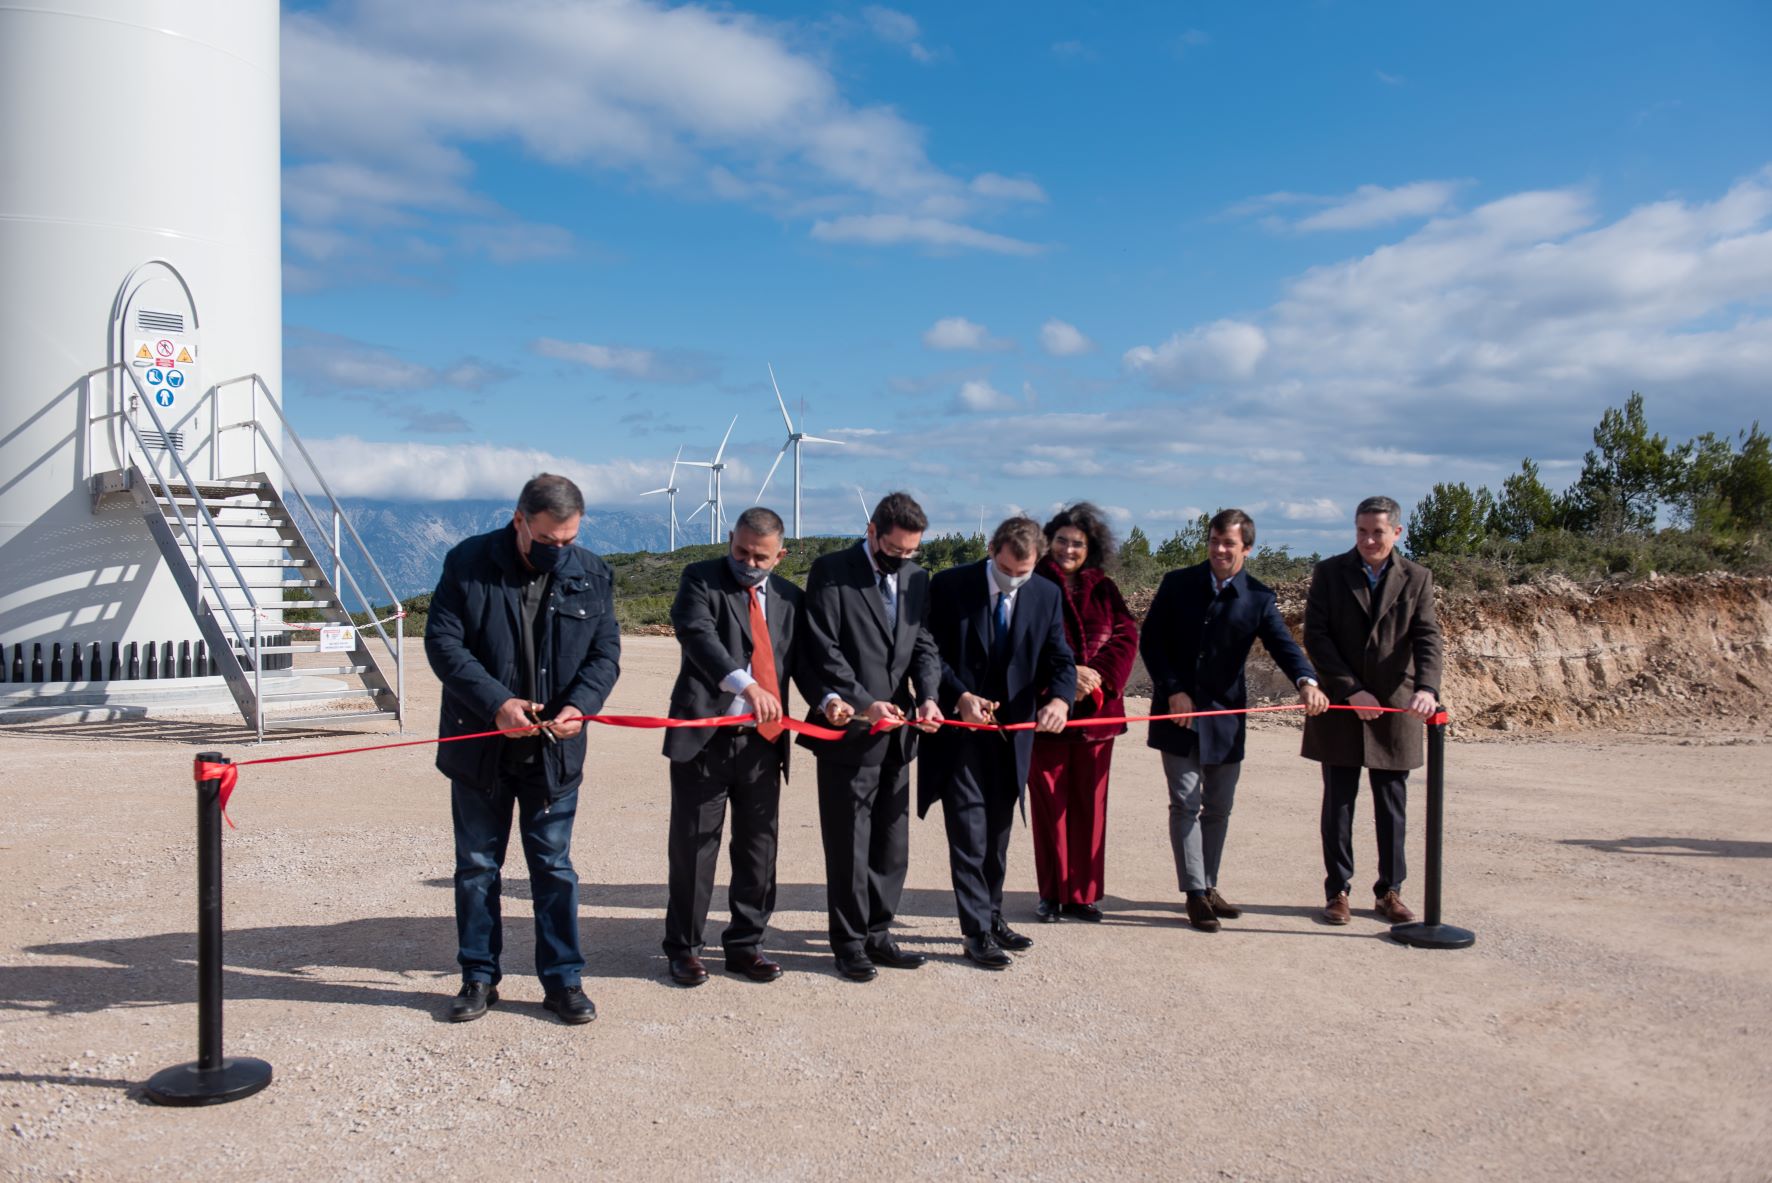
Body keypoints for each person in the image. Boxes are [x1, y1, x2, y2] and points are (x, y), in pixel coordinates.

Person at [424, 473, 620, 1024]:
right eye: (548, 541)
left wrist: (580, 706)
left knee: (554, 868)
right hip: (480, 747)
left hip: (553, 754)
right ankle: (479, 977)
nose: (560, 552)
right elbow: (443, 643)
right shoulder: (467, 562)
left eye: (569, 541)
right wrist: (496, 705)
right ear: (519, 521)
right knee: (478, 867)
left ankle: (563, 981)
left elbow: (605, 656)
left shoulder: (593, 573)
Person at [1140, 509, 1328, 931]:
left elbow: (1283, 644)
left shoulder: (1258, 597)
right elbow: (1151, 641)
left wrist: (1306, 680)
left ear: (1247, 548)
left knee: (1219, 808)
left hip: (1226, 719)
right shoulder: (1177, 584)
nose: (1219, 550)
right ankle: (1193, 893)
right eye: (1214, 541)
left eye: (1228, 543)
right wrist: (1173, 689)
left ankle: (1208, 885)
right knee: (1185, 802)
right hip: (1178, 715)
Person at [797, 492, 945, 982]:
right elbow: (824, 648)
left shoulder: (918, 579)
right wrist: (863, 702)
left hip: (900, 734)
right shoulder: (831, 571)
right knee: (849, 846)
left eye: (911, 553)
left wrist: (927, 696)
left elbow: (923, 643)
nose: (901, 560)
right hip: (850, 732)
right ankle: (848, 943)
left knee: (891, 843)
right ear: (871, 531)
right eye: (893, 551)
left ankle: (879, 934)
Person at [921, 517, 1076, 969]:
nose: (1014, 581)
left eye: (1023, 573)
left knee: (997, 834)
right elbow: (930, 651)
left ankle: (992, 915)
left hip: (1012, 736)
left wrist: (1061, 701)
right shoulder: (950, 585)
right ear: (992, 549)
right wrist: (960, 696)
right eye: (1007, 570)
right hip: (960, 733)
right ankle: (975, 932)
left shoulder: (1046, 594)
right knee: (969, 831)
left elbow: (1060, 659)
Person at [660, 507, 802, 987]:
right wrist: (746, 686)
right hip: (706, 741)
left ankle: (746, 945)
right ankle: (685, 949)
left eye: (760, 557)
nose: (748, 562)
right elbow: (697, 636)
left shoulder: (789, 599)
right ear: (729, 540)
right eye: (740, 551)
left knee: (759, 851)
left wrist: (837, 700)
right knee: (695, 849)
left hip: (763, 745)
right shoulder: (700, 579)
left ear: (780, 556)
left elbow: (808, 662)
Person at [1302, 495, 1444, 926]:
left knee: (1391, 805)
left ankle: (1390, 891)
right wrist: (1351, 691)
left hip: (1395, 708)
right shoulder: (1329, 573)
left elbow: (1427, 638)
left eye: (1377, 531)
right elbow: (1317, 638)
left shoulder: (1417, 577)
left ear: (1397, 532)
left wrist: (1427, 688)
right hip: (1342, 708)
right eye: (1361, 530)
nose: (1368, 539)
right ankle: (1338, 890)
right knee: (1338, 805)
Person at [1025, 503, 1139, 923]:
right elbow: (1022, 645)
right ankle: (1052, 894)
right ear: (1047, 543)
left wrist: (1098, 677)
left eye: (1077, 543)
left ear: (1090, 548)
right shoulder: (1032, 584)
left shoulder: (1105, 588)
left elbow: (1126, 636)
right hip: (1047, 715)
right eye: (1061, 541)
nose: (1068, 549)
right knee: (1050, 808)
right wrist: (1064, 677)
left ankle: (1083, 894)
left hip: (1097, 716)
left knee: (1091, 808)